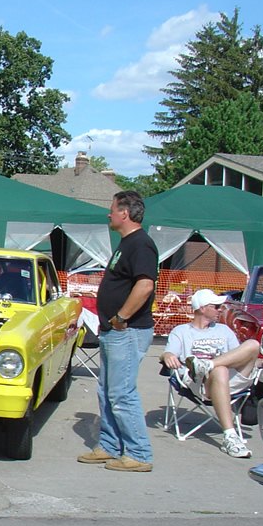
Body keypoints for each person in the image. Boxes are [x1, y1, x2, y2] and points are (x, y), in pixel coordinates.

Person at [78, 190, 159, 472]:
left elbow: (145, 285)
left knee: (122, 393)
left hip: (127, 330)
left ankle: (138, 453)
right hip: (115, 331)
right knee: (107, 391)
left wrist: (121, 317)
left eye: (112, 209)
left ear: (125, 213)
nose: (109, 214)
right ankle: (110, 446)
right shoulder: (127, 243)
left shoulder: (141, 244)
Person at [161, 289, 263, 458]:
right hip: (200, 382)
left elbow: (239, 358)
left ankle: (207, 364)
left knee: (252, 344)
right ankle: (230, 436)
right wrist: (168, 355)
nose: (221, 309)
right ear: (202, 308)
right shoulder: (181, 331)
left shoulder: (224, 330)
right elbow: (167, 354)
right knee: (220, 370)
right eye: (216, 306)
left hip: (230, 379)